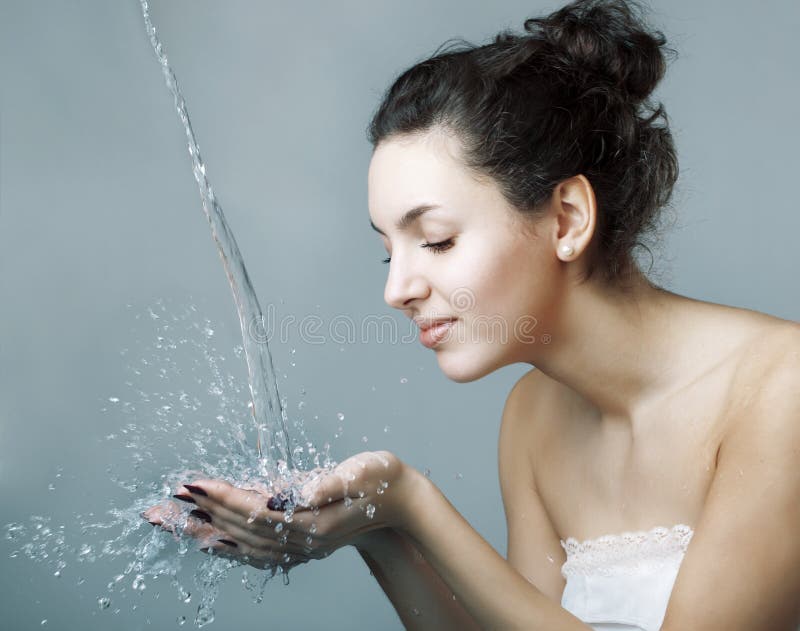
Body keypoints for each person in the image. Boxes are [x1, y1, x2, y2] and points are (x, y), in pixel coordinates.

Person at [144, 0, 800, 628]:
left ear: (567, 218)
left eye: (436, 240)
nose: (397, 289)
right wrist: (378, 527)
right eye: (386, 254)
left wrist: (417, 503)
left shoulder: (780, 392)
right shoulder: (535, 416)